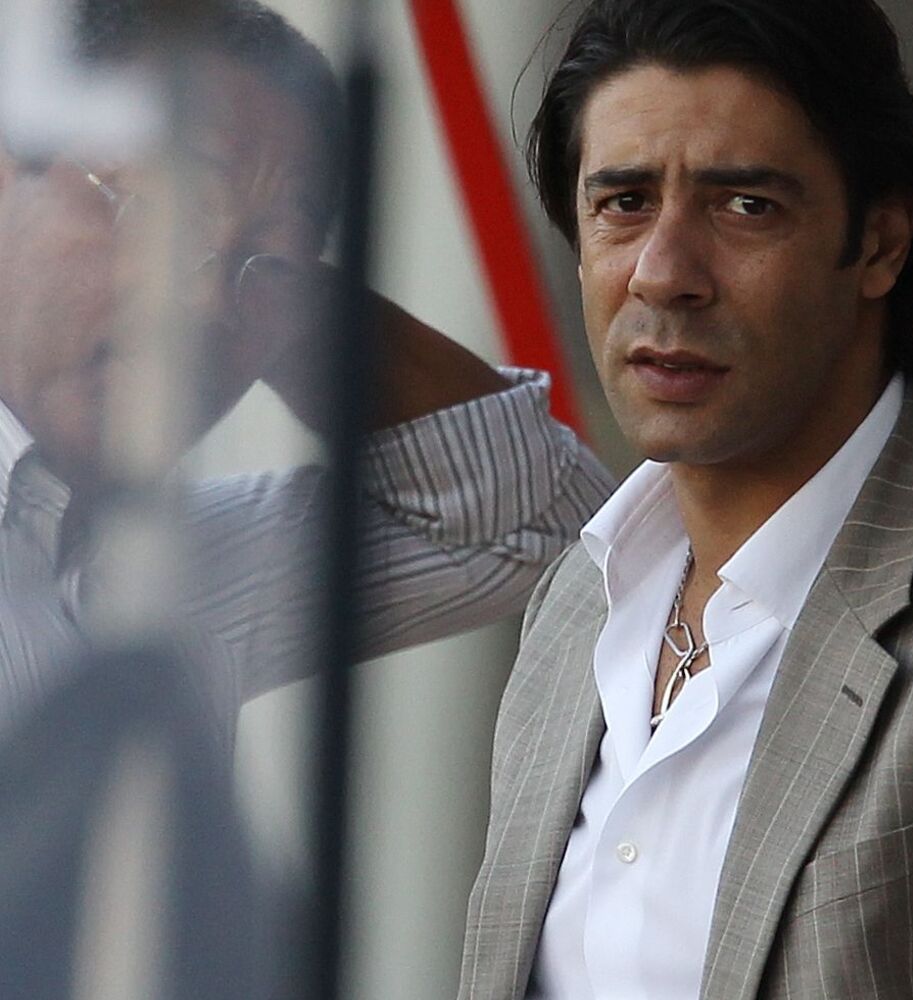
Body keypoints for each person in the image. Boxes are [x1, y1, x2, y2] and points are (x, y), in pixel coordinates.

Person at [458, 2, 913, 997]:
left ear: (881, 243)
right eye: (625, 203)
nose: (664, 272)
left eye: (745, 206)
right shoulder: (580, 599)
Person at [0, 0, 614, 744]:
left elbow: (542, 527)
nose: (207, 303)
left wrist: (275, 279)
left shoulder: (153, 572)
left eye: (264, 268)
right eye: (164, 210)